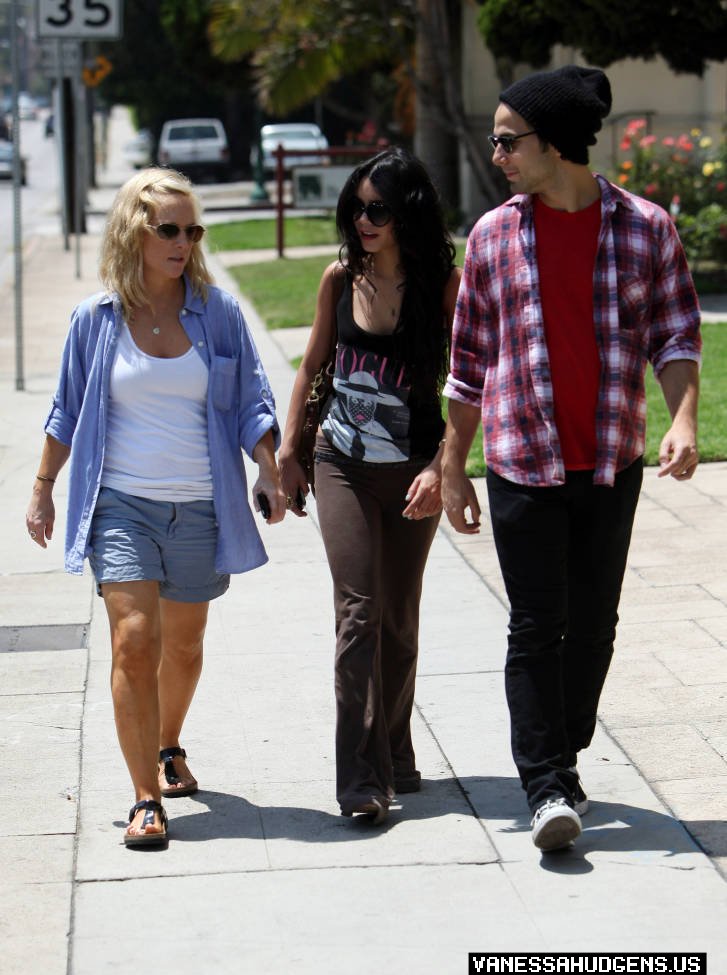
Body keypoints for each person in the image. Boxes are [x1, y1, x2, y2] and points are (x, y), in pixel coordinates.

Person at [441, 66, 701, 852]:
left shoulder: (645, 228)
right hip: (523, 460)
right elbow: (466, 361)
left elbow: (676, 334)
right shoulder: (492, 236)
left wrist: (682, 419)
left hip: (609, 460)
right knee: (536, 624)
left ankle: (563, 752)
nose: (497, 154)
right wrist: (452, 463)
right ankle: (546, 784)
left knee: (592, 628)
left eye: (507, 140)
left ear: (554, 143)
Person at [25, 167, 286, 848]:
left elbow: (255, 400)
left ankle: (169, 745)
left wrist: (267, 465)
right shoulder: (97, 319)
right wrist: (43, 485)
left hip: (199, 506)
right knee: (134, 641)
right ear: (134, 232)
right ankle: (145, 798)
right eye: (168, 229)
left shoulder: (217, 312)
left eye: (191, 229)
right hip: (121, 506)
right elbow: (67, 409)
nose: (182, 241)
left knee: (185, 643)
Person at [279, 147, 461, 824]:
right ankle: (359, 779)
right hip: (342, 463)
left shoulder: (443, 286)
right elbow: (311, 367)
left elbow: (473, 385)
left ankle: (394, 747)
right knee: (359, 612)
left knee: (398, 619)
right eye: (354, 207)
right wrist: (292, 450)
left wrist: (441, 466)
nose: (362, 219)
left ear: (407, 211)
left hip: (413, 466)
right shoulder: (338, 278)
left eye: (376, 208)